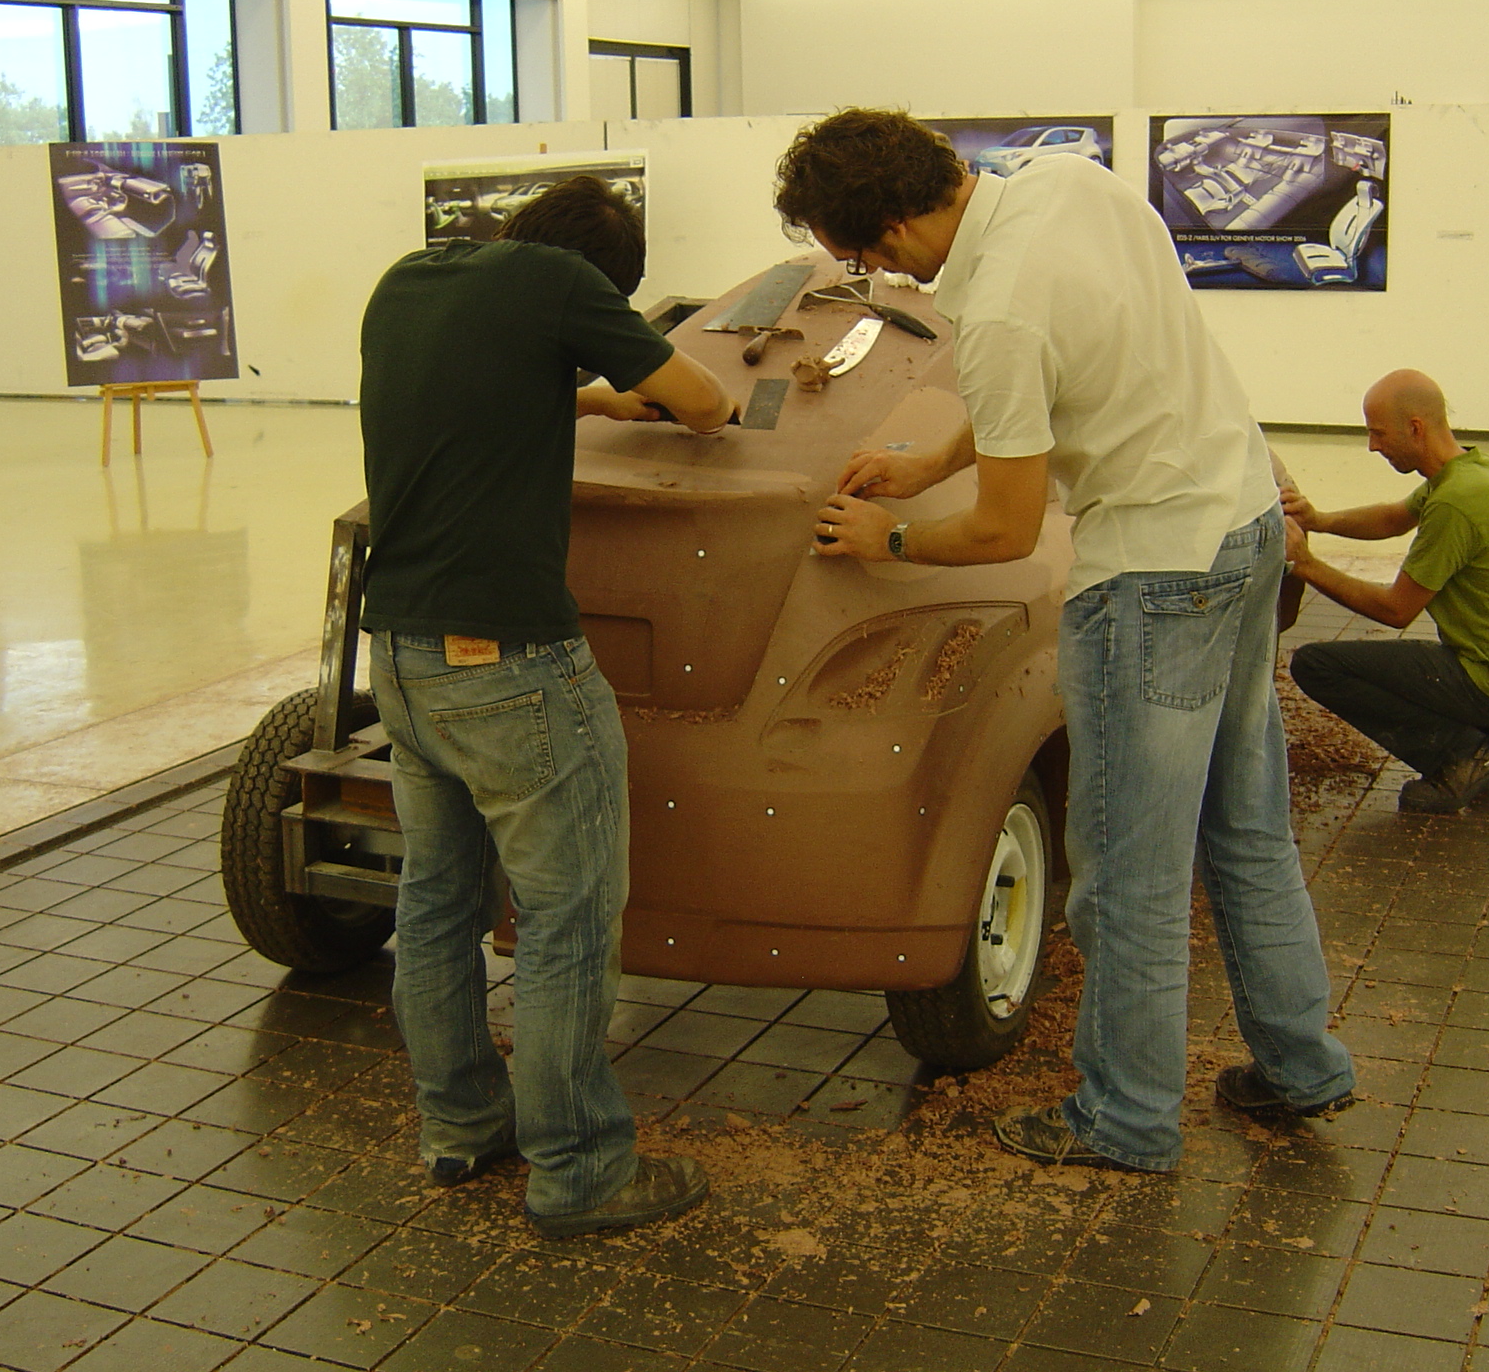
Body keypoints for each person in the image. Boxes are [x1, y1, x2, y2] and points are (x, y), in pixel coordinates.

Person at [775, 109, 1354, 1173]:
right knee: (1244, 829)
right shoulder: (1062, 182)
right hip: (1244, 520)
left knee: (1123, 873)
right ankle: (1300, 1066)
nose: (885, 280)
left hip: (1152, 581)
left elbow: (1003, 528)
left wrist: (887, 532)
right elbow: (1044, 388)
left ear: (897, 227)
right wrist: (930, 461)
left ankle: (1124, 1119)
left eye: (867, 260)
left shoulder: (994, 317)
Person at [358, 176, 734, 1236]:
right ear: (606, 277)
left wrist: (589, 398)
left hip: (405, 657)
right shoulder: (568, 284)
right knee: (567, 916)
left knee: (436, 903)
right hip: (513, 665)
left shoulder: (408, 282)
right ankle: (578, 1171)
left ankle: (462, 1127)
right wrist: (650, 382)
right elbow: (705, 401)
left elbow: (467, 393)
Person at [1282, 369, 1489, 815]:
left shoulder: (1455, 502)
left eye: (1377, 434)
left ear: (1415, 428)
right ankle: (1488, 730)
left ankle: (1463, 756)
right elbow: (1393, 518)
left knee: (1317, 665)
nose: (1372, 446)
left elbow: (1395, 609)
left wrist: (1305, 564)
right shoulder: (1475, 470)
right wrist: (1319, 520)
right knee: (1399, 666)